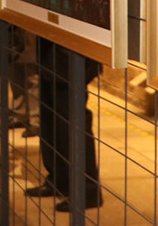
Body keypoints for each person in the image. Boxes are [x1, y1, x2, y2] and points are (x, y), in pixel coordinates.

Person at [25, 37, 102, 212]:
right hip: (50, 50)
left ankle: (87, 190)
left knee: (73, 122)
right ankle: (60, 180)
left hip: (71, 52)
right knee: (50, 119)